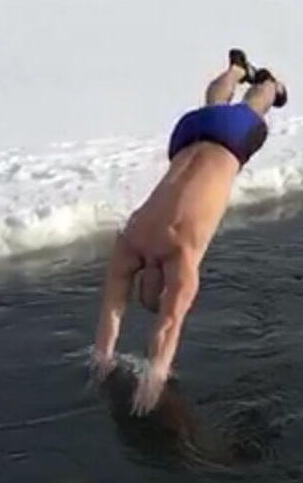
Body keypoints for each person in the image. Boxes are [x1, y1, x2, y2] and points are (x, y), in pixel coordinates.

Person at [90, 49, 288, 415]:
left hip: (229, 144)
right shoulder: (129, 239)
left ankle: (271, 85)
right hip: (187, 135)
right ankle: (236, 68)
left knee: (252, 109)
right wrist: (102, 356)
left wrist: (155, 379)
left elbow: (167, 326)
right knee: (213, 105)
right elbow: (112, 310)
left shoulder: (180, 257)